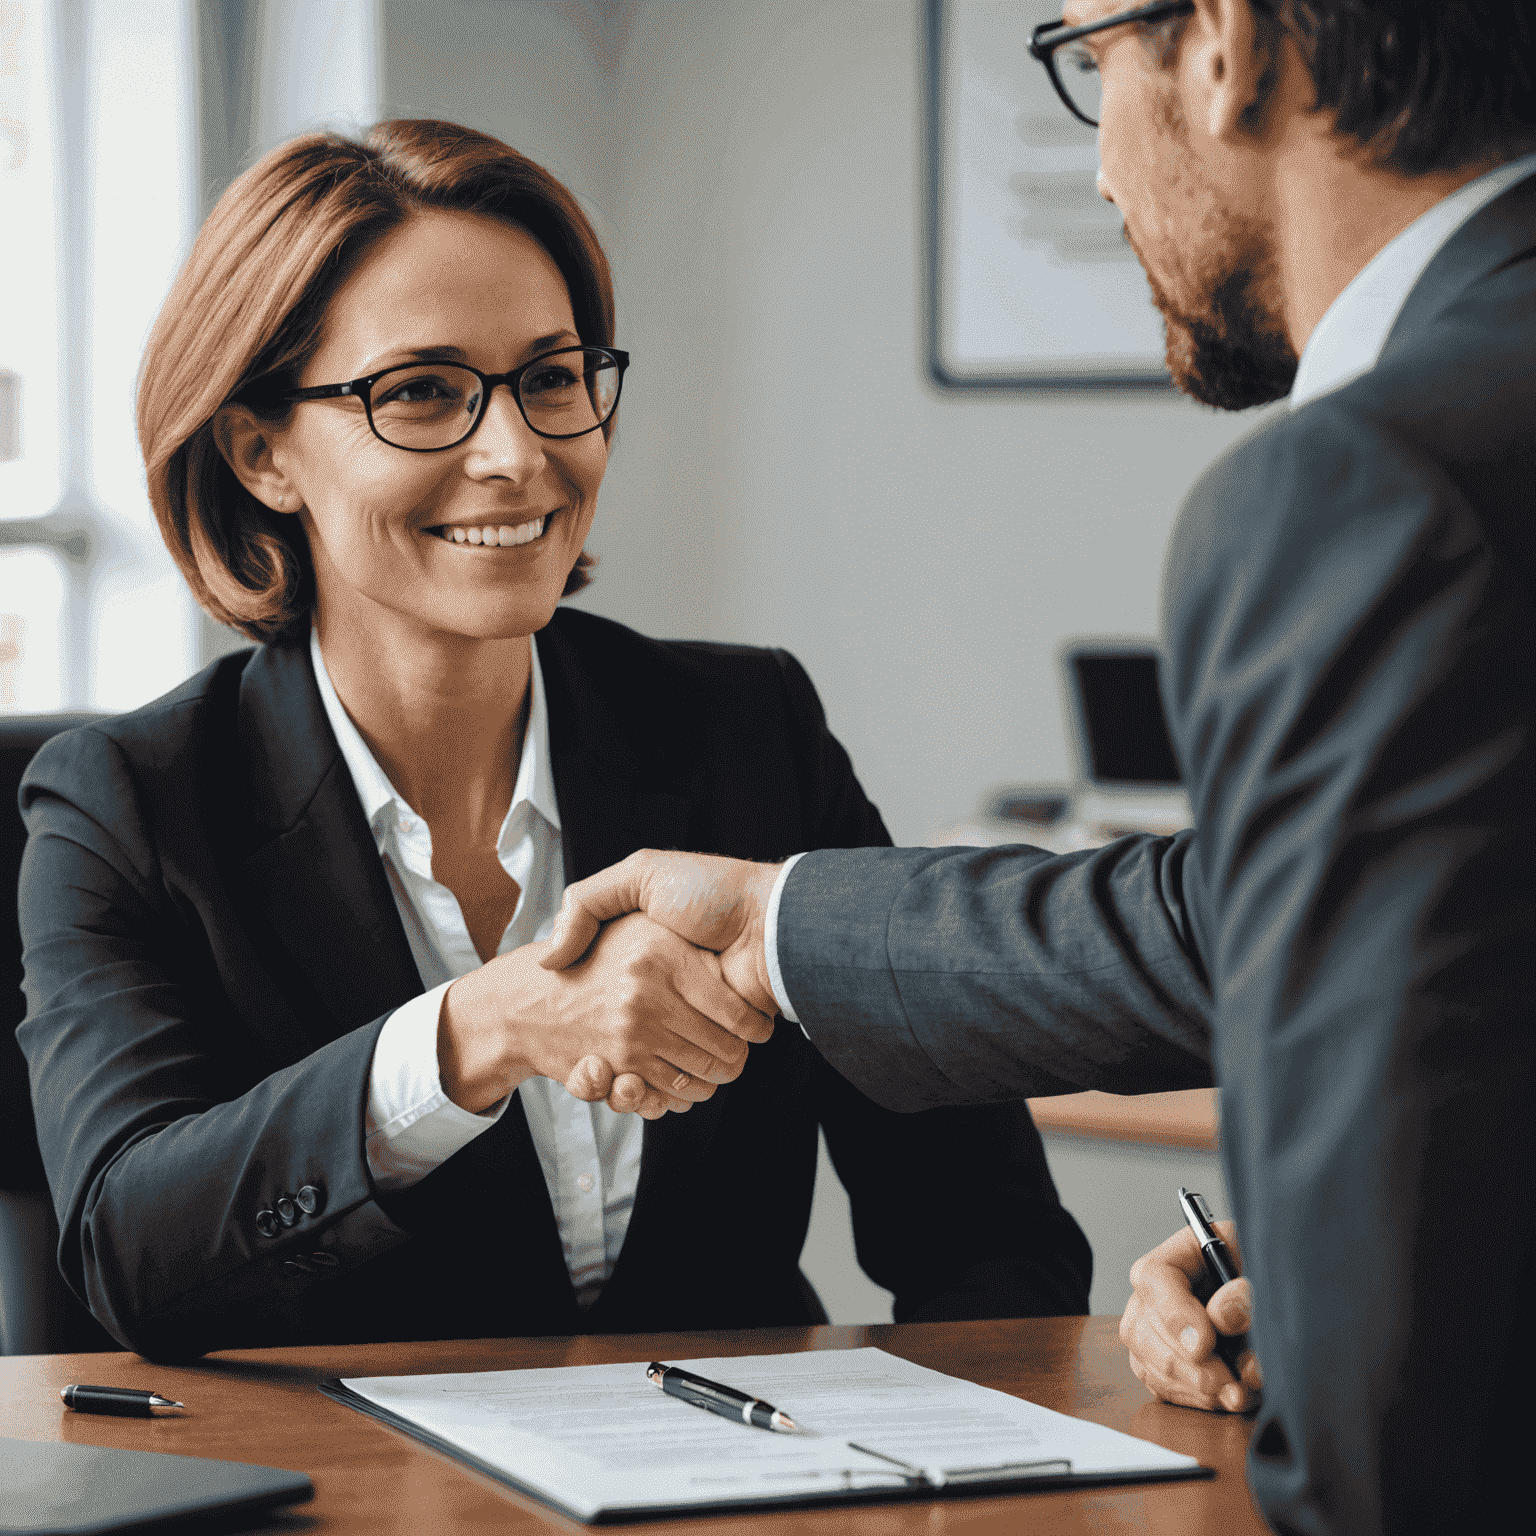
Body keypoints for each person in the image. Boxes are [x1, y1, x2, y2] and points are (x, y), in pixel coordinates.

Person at [539, 4, 1536, 1533]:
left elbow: (1400, 1456)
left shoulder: (1374, 483)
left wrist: (1349, 1284)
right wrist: (780, 926)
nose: (1097, 178)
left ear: (1219, 44)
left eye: (1090, 63)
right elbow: (1260, 917)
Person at [15, 119, 1092, 1362]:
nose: (519, 454)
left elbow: (984, 1220)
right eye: (422, 391)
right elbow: (128, 1248)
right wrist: (480, 1032)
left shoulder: (751, 732)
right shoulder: (126, 806)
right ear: (262, 452)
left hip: (750, 1483)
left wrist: (947, 1458)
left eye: (552, 377)